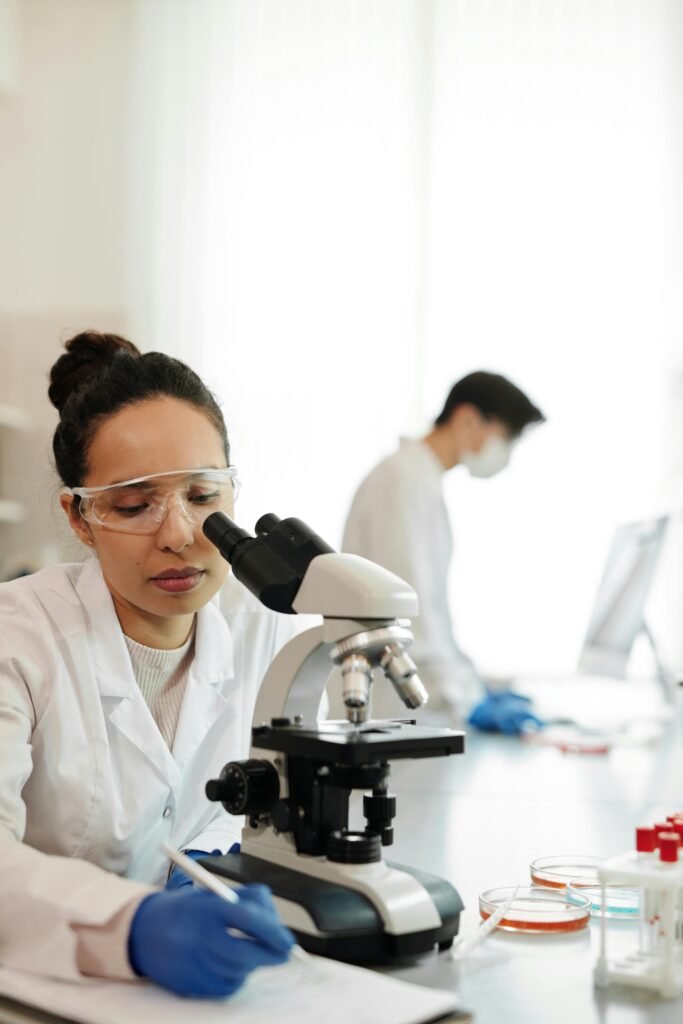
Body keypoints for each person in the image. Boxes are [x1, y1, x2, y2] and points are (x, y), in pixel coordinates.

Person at [0, 332, 296, 997]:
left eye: (203, 494)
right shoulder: (16, 637)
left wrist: (211, 857)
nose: (179, 534)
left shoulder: (268, 630)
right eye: (134, 506)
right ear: (79, 517)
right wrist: (131, 925)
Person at [342, 370, 545, 732]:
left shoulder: (421, 480)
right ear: (467, 419)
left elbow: (435, 618)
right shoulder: (402, 481)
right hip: (398, 701)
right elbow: (411, 616)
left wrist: (474, 685)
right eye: (505, 438)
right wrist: (466, 699)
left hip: (417, 699)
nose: (505, 452)